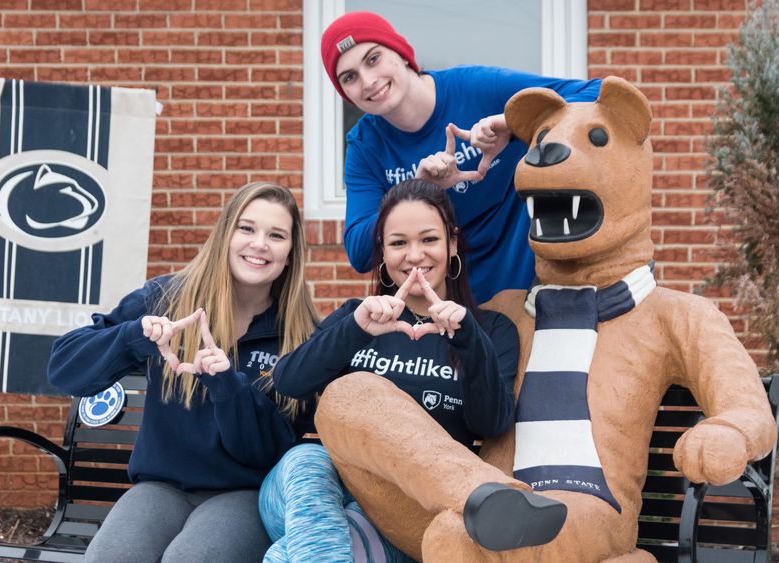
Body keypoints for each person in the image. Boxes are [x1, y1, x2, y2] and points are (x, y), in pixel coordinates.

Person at [47, 182, 318, 562]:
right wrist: (133, 337)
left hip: (245, 494)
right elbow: (63, 369)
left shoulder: (300, 334)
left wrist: (227, 386)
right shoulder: (167, 299)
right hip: (161, 488)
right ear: (225, 234)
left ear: (290, 254)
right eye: (247, 228)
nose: (259, 244)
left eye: (276, 235)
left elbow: (266, 453)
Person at [259, 179, 519, 562]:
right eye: (398, 243)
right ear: (382, 253)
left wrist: (468, 339)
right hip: (315, 489)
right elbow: (289, 380)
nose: (414, 255)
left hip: (403, 515)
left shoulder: (491, 330)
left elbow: (491, 423)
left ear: (452, 244)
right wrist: (356, 330)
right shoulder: (355, 317)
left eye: (428, 240)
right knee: (307, 460)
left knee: (288, 555)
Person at [321, 11, 601, 303]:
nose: (367, 81)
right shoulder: (365, 146)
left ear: (402, 53)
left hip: (532, 292)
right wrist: (416, 190)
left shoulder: (477, 88)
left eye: (373, 59)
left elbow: (595, 94)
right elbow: (360, 252)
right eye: (349, 77)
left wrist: (512, 122)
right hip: (450, 313)